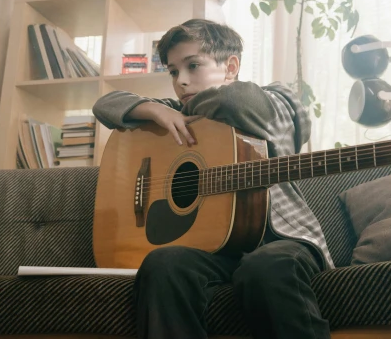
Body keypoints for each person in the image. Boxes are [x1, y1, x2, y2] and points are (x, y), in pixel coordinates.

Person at [93, 18, 334, 339]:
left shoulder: (273, 101)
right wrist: (156, 110)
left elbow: (238, 102)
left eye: (193, 66)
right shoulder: (175, 113)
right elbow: (105, 104)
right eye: (173, 71)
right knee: (163, 264)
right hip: (215, 250)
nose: (181, 81)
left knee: (264, 267)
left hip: (282, 241)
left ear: (231, 67)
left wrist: (179, 109)